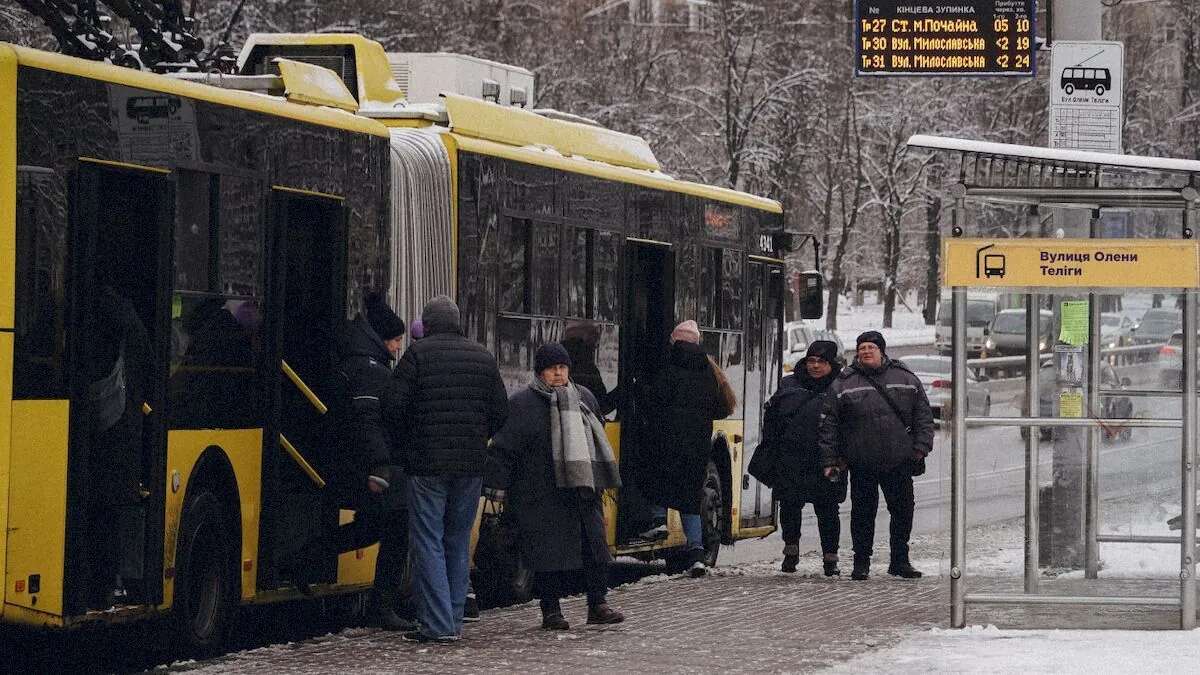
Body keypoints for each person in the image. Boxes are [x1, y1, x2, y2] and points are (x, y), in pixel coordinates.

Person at [383, 295, 508, 643]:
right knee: (456, 539)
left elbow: (393, 407)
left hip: (427, 464)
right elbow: (501, 412)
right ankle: (452, 618)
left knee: (427, 539)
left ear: (428, 323)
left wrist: (407, 443)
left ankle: (437, 625)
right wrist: (477, 436)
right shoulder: (483, 356)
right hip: (470, 466)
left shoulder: (417, 355)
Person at [292, 292, 412, 628]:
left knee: (372, 527)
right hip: (370, 467)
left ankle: (306, 559)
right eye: (396, 340)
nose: (398, 348)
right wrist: (380, 465)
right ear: (383, 338)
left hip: (351, 460)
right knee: (395, 530)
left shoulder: (355, 361)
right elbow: (368, 420)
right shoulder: (371, 371)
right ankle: (382, 606)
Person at [488, 343, 625, 630]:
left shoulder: (585, 398)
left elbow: (596, 439)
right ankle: (551, 610)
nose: (559, 374)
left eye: (563, 368)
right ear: (540, 372)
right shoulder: (522, 404)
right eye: (553, 369)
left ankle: (598, 604)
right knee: (546, 555)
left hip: (582, 491)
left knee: (595, 549)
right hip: (539, 492)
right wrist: (496, 487)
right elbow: (504, 448)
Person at [819, 331, 934, 581]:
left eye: (871, 347)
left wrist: (921, 447)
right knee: (862, 514)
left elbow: (923, 417)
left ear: (882, 351)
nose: (866, 352)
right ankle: (861, 563)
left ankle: (900, 560)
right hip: (862, 462)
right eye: (862, 348)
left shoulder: (906, 378)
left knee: (903, 512)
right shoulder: (844, 383)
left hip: (899, 460)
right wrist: (830, 460)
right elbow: (829, 425)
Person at [639, 320, 734, 577]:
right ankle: (696, 554)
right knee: (690, 499)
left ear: (675, 342)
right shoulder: (709, 371)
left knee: (657, 479)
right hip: (697, 445)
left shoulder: (669, 369)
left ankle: (658, 522)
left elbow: (654, 400)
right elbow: (722, 406)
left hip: (667, 441)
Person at [83, 285, 153, 609]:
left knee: (98, 507)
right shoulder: (128, 317)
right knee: (112, 509)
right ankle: (111, 581)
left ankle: (99, 580)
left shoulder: (89, 313)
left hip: (103, 427)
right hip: (122, 425)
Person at [763, 340, 847, 575]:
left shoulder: (841, 386)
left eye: (821, 362)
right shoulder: (790, 383)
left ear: (832, 364)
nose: (815, 366)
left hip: (828, 459)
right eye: (811, 361)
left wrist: (843, 456)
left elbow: (850, 423)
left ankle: (830, 557)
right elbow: (773, 416)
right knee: (790, 506)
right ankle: (790, 551)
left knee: (828, 509)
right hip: (792, 458)